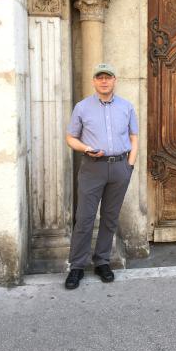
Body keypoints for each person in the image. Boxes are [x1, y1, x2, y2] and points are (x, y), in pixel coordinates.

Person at [64, 63, 138, 290]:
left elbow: (134, 136)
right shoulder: (82, 107)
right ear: (94, 81)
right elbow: (70, 137)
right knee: (85, 218)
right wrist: (86, 148)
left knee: (109, 217)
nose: (104, 81)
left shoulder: (126, 107)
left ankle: (102, 261)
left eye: (108, 77)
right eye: (100, 78)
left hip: (119, 168)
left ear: (114, 80)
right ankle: (76, 266)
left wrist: (130, 165)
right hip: (92, 168)